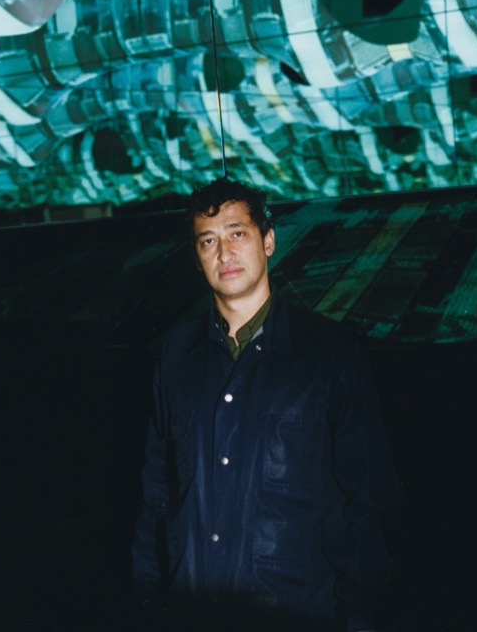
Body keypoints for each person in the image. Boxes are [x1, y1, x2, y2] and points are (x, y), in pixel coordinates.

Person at [132, 178, 396, 631]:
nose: (224, 253)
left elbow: (367, 501)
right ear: (197, 257)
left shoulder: (328, 352)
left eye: (238, 233)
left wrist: (358, 618)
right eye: (208, 240)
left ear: (268, 240)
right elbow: (156, 496)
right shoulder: (174, 357)